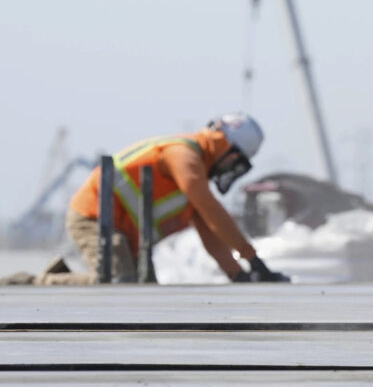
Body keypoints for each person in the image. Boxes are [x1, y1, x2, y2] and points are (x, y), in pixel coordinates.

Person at [46, 112, 289, 285]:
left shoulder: (196, 173)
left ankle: (57, 275)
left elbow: (212, 235)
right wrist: (252, 259)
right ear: (228, 151)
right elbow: (212, 210)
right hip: (94, 217)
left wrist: (238, 274)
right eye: (235, 163)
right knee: (119, 282)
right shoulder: (184, 156)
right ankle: (35, 282)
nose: (231, 170)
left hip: (128, 237)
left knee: (146, 291)